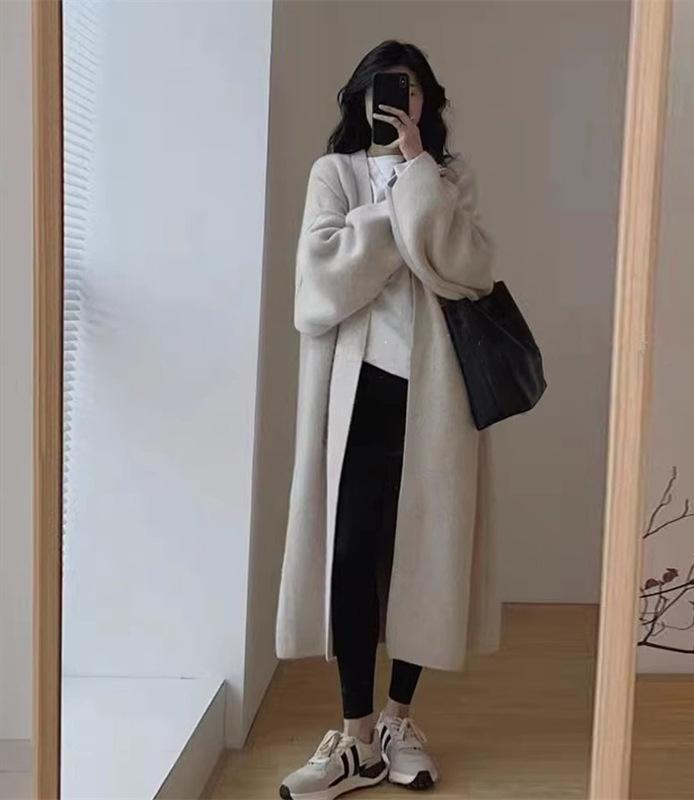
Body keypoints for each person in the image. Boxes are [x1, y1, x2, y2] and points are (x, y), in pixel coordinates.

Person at [276, 39, 501, 800]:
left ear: (426, 101)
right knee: (352, 555)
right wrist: (406, 219)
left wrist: (416, 174)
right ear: (361, 98)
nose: (398, 101)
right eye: (384, 88)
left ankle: (400, 722)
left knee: (425, 553)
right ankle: (355, 737)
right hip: (357, 392)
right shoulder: (333, 173)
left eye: (410, 89)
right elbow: (320, 281)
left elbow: (470, 269)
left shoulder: (448, 176)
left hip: (437, 396)